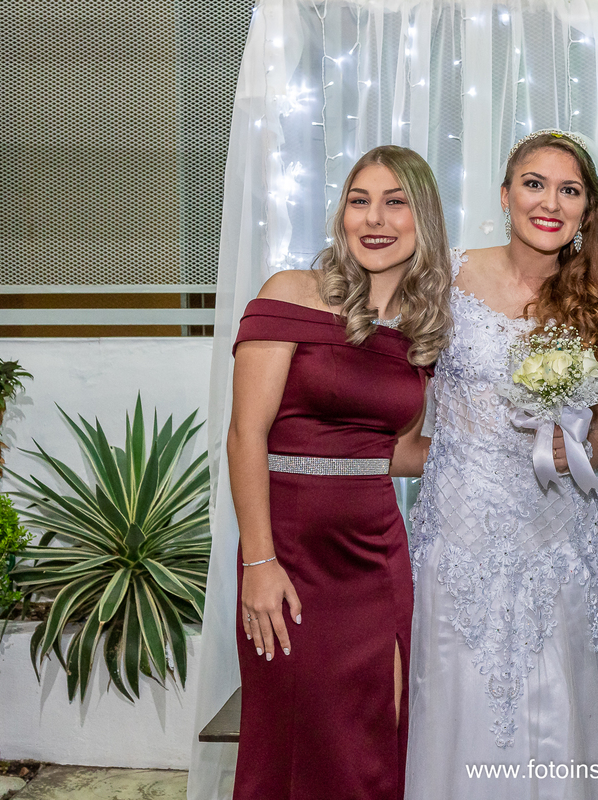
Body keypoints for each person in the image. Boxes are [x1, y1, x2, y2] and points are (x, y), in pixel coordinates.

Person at [404, 130, 598, 798]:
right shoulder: (445, 277)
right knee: (458, 702)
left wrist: (577, 450)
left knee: (558, 706)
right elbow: (403, 409)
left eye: (569, 190)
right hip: (460, 536)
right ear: (505, 195)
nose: (549, 203)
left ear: (587, 209)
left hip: (556, 538)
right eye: (534, 184)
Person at [226, 145, 452, 800]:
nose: (374, 219)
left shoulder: (421, 329)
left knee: (375, 734)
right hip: (289, 555)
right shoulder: (290, 292)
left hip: (377, 557)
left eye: (394, 202)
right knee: (294, 740)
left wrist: (497, 449)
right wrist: (259, 563)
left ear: (422, 218)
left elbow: (397, 452)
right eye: (360, 201)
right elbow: (245, 435)